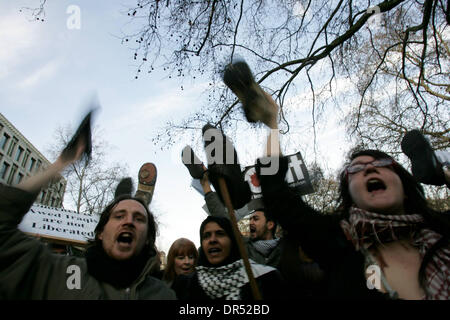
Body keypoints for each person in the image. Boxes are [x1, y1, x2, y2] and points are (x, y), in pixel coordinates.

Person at [232, 77, 450, 299]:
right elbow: (277, 196)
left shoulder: (442, 228)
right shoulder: (336, 240)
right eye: (356, 169)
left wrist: (442, 173)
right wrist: (272, 122)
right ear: (350, 195)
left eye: (381, 164)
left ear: (404, 185)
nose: (369, 170)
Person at [0, 114, 176, 300]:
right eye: (119, 216)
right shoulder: (64, 274)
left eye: (139, 218)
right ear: (100, 232)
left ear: (148, 239)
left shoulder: (162, 295)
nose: (129, 222)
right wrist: (62, 163)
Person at [184, 149, 326, 299]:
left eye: (256, 219)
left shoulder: (290, 248)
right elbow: (224, 220)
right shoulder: (244, 248)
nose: (250, 221)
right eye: (251, 219)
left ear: (270, 224)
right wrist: (206, 185)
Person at [171, 216, 286, 300]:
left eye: (220, 233)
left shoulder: (265, 278)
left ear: (233, 241)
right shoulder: (186, 285)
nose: (212, 240)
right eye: (206, 236)